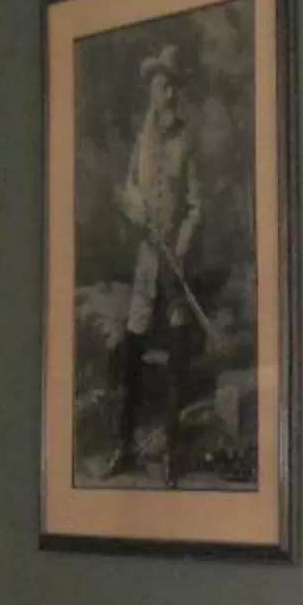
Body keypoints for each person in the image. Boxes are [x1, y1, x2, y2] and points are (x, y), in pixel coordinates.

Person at [104, 43, 204, 481]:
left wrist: (181, 246)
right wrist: (134, 210)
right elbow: (126, 189)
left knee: (179, 353)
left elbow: (197, 206)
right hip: (147, 265)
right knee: (132, 350)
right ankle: (124, 446)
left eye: (167, 85)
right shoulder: (140, 142)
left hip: (175, 268)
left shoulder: (188, 141)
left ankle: (173, 451)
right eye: (156, 85)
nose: (161, 93)